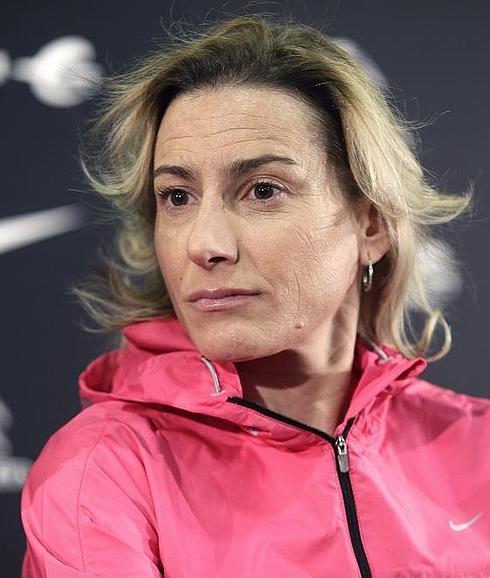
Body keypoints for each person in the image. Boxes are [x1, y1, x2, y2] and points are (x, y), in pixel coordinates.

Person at [20, 12, 489, 578]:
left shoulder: (478, 445)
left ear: (371, 225)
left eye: (262, 190)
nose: (204, 245)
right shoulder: (103, 472)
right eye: (177, 197)